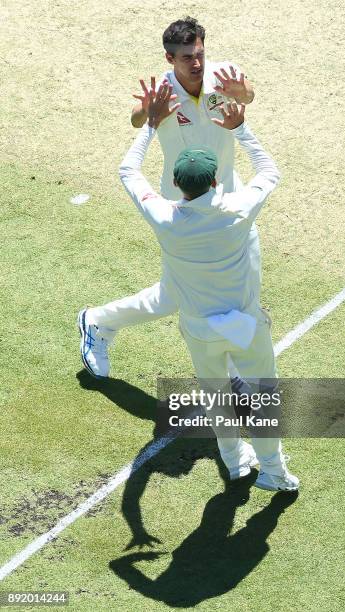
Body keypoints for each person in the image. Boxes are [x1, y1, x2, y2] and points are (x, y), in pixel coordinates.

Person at [80, 81, 299, 491]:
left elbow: (128, 171)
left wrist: (151, 125)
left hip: (200, 328)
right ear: (217, 181)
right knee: (263, 399)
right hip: (246, 326)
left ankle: (234, 463)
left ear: (178, 186)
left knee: (217, 396)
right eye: (186, 57)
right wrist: (241, 129)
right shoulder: (238, 208)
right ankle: (273, 470)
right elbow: (270, 172)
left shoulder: (164, 216)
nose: (194, 63)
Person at [78, 17, 261, 386]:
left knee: (246, 277)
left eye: (199, 54)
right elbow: (135, 120)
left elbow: (248, 96)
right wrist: (148, 111)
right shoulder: (163, 89)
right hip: (182, 203)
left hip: (229, 193)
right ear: (170, 58)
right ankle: (98, 321)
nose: (196, 63)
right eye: (187, 57)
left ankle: (236, 368)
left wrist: (243, 92)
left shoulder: (223, 74)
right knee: (172, 297)